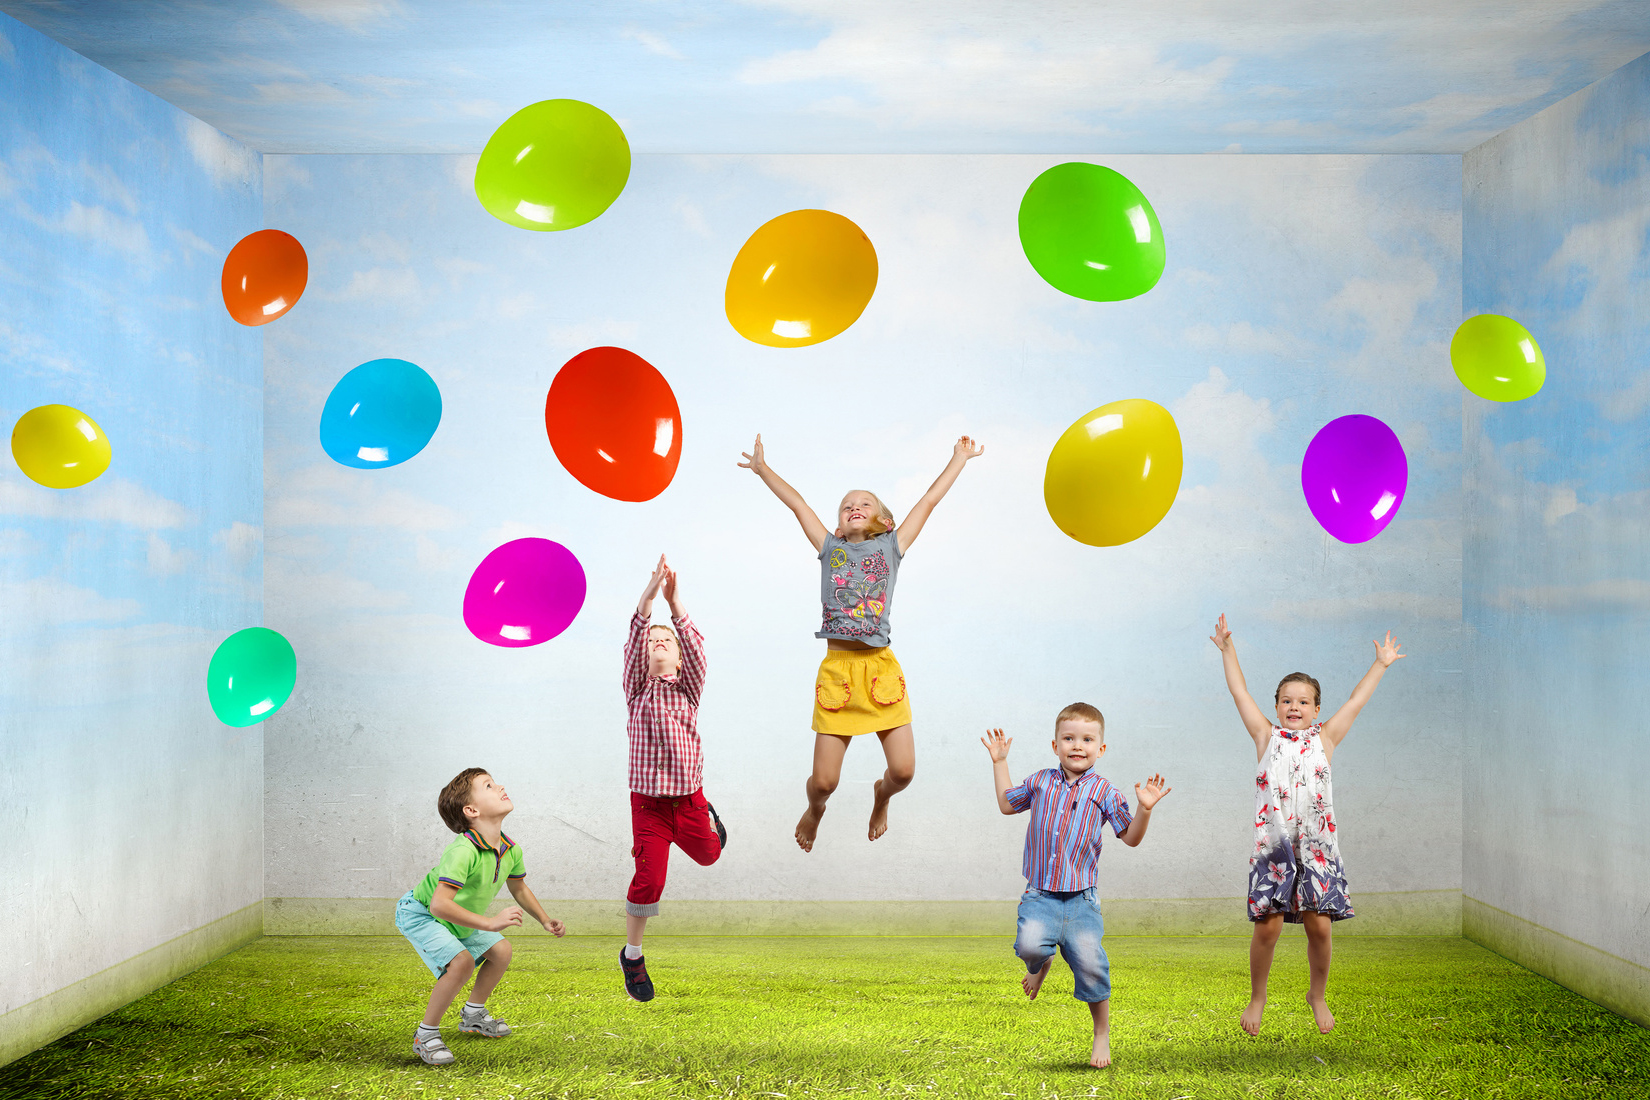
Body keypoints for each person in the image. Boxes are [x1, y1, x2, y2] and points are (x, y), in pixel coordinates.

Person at [739, 432, 984, 851]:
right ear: (838, 524)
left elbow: (927, 501)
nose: (855, 506)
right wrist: (763, 470)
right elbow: (799, 504)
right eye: (847, 505)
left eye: (865, 503)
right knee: (823, 781)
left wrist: (959, 458)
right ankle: (815, 810)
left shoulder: (892, 546)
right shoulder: (829, 546)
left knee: (904, 772)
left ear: (883, 521)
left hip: (880, 669)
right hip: (838, 672)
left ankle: (881, 796)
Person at [1210, 613, 1404, 1035]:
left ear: (1316, 709)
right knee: (1269, 927)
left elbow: (1356, 701)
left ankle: (1317, 994)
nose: (1293, 707)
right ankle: (1257, 995)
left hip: (1318, 848)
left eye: (1303, 701)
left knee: (1319, 925)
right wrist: (1229, 650)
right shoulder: (1266, 736)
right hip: (1275, 850)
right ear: (1277, 706)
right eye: (1286, 700)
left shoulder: (1326, 738)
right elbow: (1239, 692)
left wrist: (1381, 664)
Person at [982, 704, 1170, 1068]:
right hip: (1040, 895)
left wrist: (1145, 809)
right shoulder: (1040, 782)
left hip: (1082, 899)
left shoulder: (1105, 792)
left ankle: (1101, 1034)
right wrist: (999, 761)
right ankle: (1042, 963)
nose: (1077, 746)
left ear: (1101, 749)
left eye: (1087, 739)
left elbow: (1130, 838)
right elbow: (1007, 805)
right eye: (1069, 738)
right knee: (1029, 947)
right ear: (1055, 745)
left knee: (1090, 966)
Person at [394, 768, 565, 1066]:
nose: (500, 786)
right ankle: (426, 1034)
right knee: (460, 964)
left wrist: (544, 918)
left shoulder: (510, 849)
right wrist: (489, 922)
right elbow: (439, 905)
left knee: (501, 950)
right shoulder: (463, 851)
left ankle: (473, 1014)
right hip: (422, 913)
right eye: (489, 785)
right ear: (471, 810)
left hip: (456, 916)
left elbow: (519, 887)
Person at [619, 555, 726, 1002]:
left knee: (708, 856)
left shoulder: (688, 689)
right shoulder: (637, 690)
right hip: (648, 805)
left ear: (679, 656)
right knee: (650, 881)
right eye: (653, 639)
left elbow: (698, 651)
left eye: (667, 638)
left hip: (689, 799)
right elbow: (634, 639)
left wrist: (675, 604)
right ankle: (632, 955)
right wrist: (648, 597)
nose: (658, 641)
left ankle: (710, 822)